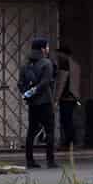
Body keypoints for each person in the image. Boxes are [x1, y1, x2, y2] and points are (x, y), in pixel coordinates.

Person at [19, 38, 57, 169]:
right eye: (47, 47)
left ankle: (30, 160)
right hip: (45, 101)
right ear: (42, 49)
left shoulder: (25, 64)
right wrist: (36, 90)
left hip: (32, 103)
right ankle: (50, 160)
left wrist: (27, 93)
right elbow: (46, 81)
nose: (48, 49)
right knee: (50, 131)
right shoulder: (47, 63)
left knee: (31, 131)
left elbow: (20, 83)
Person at [54, 44, 82, 152]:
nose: (57, 56)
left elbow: (62, 81)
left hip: (66, 96)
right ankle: (72, 141)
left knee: (66, 121)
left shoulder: (65, 64)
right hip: (74, 96)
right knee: (70, 120)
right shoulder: (76, 64)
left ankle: (69, 142)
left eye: (59, 53)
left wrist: (56, 98)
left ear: (63, 54)